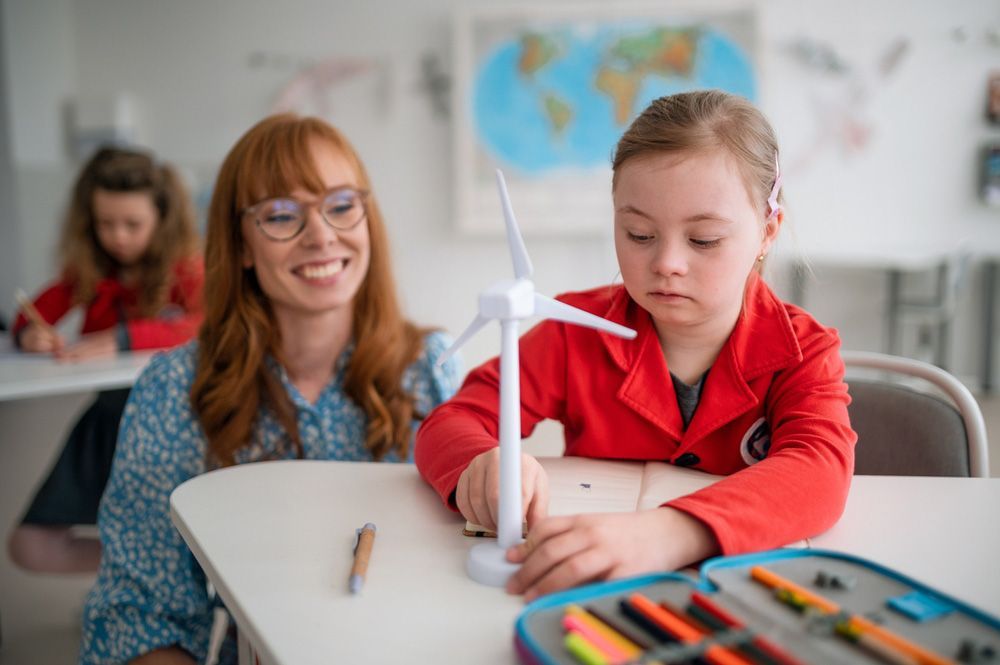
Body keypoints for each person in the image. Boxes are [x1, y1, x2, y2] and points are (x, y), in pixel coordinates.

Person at [415, 90, 857, 602]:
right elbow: (449, 423)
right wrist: (482, 462)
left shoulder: (806, 350)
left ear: (767, 231)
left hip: (737, 595)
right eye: (639, 234)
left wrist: (670, 533)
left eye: (704, 240)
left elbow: (819, 470)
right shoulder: (575, 330)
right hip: (595, 592)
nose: (667, 262)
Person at [79, 113, 461, 664]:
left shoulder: (431, 366)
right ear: (240, 246)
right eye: (282, 215)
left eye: (341, 205)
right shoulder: (175, 390)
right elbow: (139, 614)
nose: (321, 235)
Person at [8, 146, 204, 574]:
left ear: (162, 220)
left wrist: (124, 338)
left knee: (184, 527)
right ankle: (142, 574)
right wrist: (31, 333)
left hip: (176, 424)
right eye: (105, 224)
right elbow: (29, 313)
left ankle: (160, 579)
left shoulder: (186, 269)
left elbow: (209, 323)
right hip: (108, 422)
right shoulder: (89, 273)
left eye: (133, 224)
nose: (118, 236)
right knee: (30, 546)